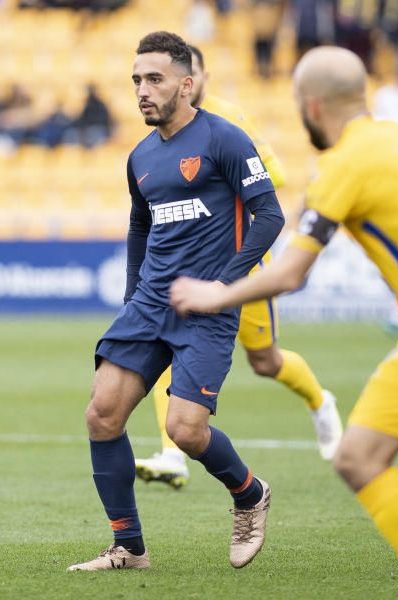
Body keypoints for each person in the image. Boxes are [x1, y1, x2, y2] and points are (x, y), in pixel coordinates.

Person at [169, 46, 398, 600]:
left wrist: (215, 293)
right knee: (357, 457)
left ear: (311, 106)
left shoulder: (342, 166)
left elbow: (291, 273)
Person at [68, 31, 285, 573]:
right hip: (148, 305)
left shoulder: (226, 140)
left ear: (186, 85)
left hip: (208, 309)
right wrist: (130, 296)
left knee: (185, 431)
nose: (142, 90)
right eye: (137, 80)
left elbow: (271, 216)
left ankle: (249, 493)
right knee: (102, 414)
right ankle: (129, 547)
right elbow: (139, 228)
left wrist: (227, 286)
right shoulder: (140, 156)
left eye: (155, 79)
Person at [135, 44, 342, 490]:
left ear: (196, 79)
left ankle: (320, 400)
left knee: (265, 361)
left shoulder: (230, 124)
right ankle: (174, 453)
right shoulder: (159, 137)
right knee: (167, 346)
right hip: (189, 272)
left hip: (240, 267)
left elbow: (277, 179)